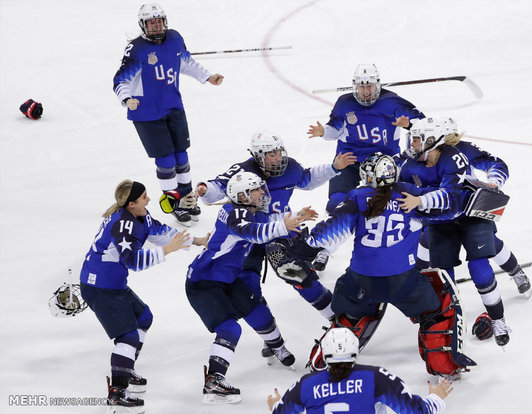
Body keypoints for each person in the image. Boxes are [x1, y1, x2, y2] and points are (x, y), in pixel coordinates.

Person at [270, 153, 474, 377]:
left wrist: (298, 252)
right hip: (404, 282)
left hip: (361, 281)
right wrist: (464, 196)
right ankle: (444, 364)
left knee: (350, 312)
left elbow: (330, 233)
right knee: (439, 310)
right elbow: (450, 205)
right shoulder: (410, 193)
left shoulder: (356, 197)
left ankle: (329, 354)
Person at [195, 131, 356, 332]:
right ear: (258, 156)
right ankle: (272, 337)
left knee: (298, 274)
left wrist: (333, 168)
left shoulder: (290, 167)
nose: (278, 157)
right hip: (248, 237)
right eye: (272, 154)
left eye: (279, 152)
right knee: (248, 289)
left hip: (281, 230)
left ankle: (336, 317)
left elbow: (307, 178)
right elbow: (218, 187)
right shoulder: (243, 172)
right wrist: (204, 189)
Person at [79, 180, 209, 411]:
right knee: (128, 335)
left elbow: (161, 233)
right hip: (100, 286)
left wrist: (198, 241)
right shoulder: (123, 226)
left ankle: (125, 369)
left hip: (112, 283)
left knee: (143, 318)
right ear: (131, 204)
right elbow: (134, 262)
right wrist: (169, 251)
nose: (149, 200)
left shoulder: (140, 215)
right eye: (144, 197)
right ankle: (117, 391)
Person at [186, 171, 314, 404]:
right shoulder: (236, 216)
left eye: (259, 188)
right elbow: (254, 233)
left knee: (258, 310)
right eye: (255, 190)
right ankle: (214, 381)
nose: (261, 193)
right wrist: (284, 225)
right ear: (242, 195)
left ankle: (277, 347)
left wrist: (295, 216)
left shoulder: (246, 211)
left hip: (227, 278)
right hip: (203, 283)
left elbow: (265, 223)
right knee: (230, 329)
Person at [398, 117, 512, 346]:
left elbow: (451, 199)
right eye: (414, 139)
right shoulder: (411, 162)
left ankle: (499, 318)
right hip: (441, 222)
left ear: (433, 140)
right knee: (443, 277)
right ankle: (451, 322)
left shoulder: (457, 156)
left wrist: (494, 181)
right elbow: (396, 186)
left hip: (469, 216)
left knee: (480, 267)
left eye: (418, 140)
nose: (413, 145)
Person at [113, 3, 224, 226]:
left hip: (173, 106)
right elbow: (120, 80)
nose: (156, 26)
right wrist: (127, 99)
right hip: (147, 114)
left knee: (181, 156)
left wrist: (208, 76)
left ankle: (187, 198)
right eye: (151, 22)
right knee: (165, 159)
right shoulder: (136, 49)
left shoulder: (174, 39)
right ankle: (172, 202)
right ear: (143, 25)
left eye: (158, 21)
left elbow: (184, 62)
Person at [306, 63, 425, 270]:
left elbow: (424, 124)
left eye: (369, 86)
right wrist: (323, 132)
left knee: (397, 205)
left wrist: (409, 125)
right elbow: (334, 129)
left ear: (377, 85)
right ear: (355, 86)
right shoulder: (344, 103)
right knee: (336, 204)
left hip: (383, 163)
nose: (365, 90)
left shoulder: (393, 101)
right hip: (349, 159)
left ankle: (412, 250)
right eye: (361, 86)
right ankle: (324, 251)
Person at [412, 119, 532, 297]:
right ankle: (418, 281)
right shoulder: (420, 154)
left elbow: (495, 164)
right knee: (427, 240)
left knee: (489, 243)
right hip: (441, 212)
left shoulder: (462, 149)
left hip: (468, 210)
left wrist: (494, 182)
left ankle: (516, 272)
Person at [267, 327, 453, 413]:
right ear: (355, 351)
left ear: (324, 355)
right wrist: (436, 396)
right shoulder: (376, 377)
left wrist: (276, 405)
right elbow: (418, 412)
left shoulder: (305, 384)